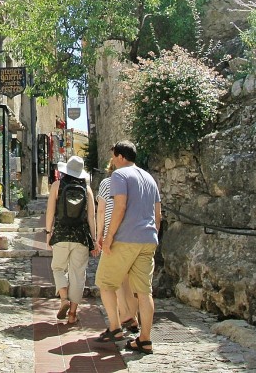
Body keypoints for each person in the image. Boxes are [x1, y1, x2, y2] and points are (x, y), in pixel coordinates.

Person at [94, 141, 161, 354]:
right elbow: (157, 213)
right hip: (148, 238)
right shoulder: (149, 178)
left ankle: (115, 328)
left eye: (114, 156)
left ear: (121, 156)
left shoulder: (119, 176)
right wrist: (153, 235)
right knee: (144, 292)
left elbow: (120, 206)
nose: (112, 161)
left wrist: (109, 237)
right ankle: (145, 339)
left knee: (105, 282)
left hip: (125, 238)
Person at [45, 155, 97, 325]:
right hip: (81, 236)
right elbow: (91, 217)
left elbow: (50, 212)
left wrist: (48, 232)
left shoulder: (57, 186)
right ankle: (73, 314)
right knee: (78, 274)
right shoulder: (87, 189)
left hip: (60, 234)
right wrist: (94, 239)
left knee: (58, 267)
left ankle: (63, 298)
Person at [96, 161, 139, 333]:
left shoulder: (107, 183)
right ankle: (133, 318)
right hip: (133, 235)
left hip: (113, 236)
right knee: (128, 281)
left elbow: (101, 211)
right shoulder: (134, 184)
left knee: (112, 281)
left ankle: (122, 318)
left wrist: (100, 235)